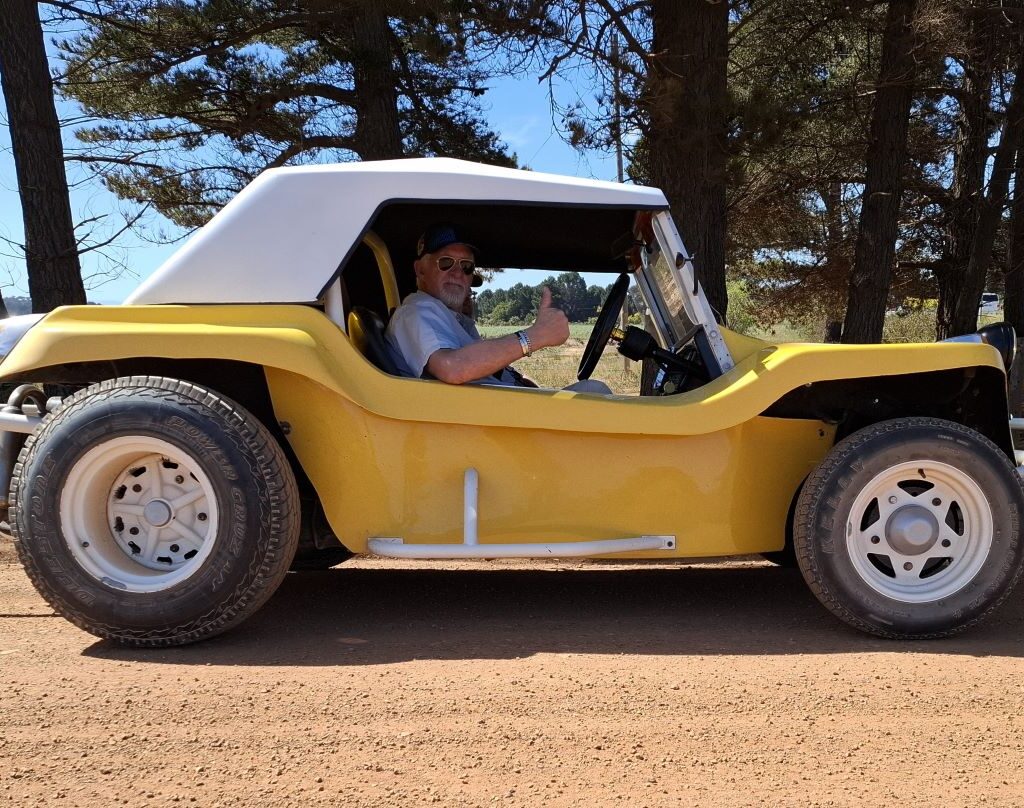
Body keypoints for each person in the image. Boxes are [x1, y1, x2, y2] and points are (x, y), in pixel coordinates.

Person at [385, 222, 611, 393]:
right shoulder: (415, 312)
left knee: (593, 392)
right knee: (596, 392)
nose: (457, 273)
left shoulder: (449, 318)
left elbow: (481, 368)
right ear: (420, 270)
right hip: (483, 431)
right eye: (446, 262)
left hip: (499, 417)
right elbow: (452, 367)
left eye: (466, 266)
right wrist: (534, 337)